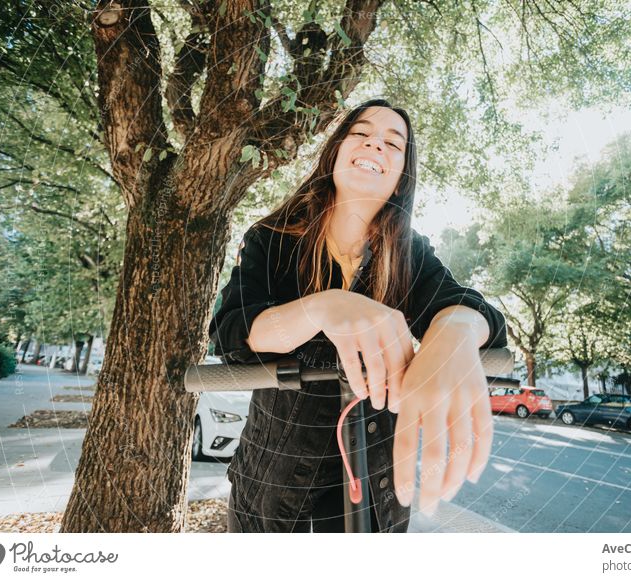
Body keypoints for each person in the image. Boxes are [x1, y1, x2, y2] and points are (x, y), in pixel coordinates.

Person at [208, 98, 507, 533]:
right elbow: (232, 332)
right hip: (271, 490)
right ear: (336, 150)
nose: (376, 145)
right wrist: (325, 306)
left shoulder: (410, 254)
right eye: (362, 133)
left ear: (403, 174)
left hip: (372, 498)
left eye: (393, 142)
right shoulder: (270, 238)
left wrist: (456, 332)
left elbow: (471, 309)